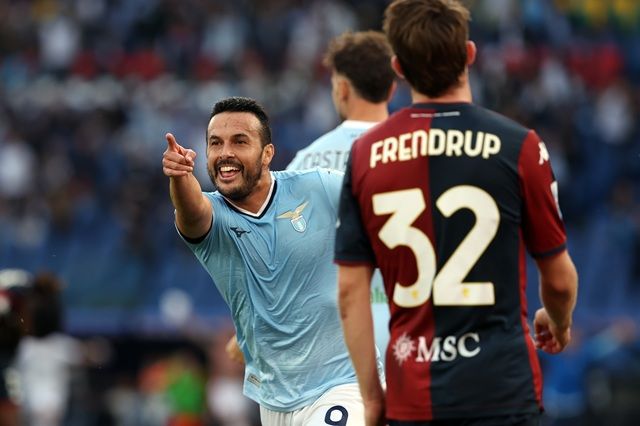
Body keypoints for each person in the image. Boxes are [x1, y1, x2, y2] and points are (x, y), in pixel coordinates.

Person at [334, 1, 579, 425]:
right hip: (502, 392)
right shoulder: (519, 145)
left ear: (398, 67)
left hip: (412, 397)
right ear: (469, 54)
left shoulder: (364, 155)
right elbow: (558, 280)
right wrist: (558, 322)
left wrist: (372, 399)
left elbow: (349, 292)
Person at [162, 96, 376, 425]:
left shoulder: (319, 186)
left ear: (267, 154)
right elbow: (190, 209)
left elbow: (384, 203)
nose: (225, 153)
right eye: (215, 143)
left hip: (343, 383)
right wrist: (180, 176)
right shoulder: (212, 218)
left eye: (239, 141)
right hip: (275, 401)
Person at [225, 30, 397, 365]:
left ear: (341, 89)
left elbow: (277, 254)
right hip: (411, 334)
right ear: (391, 88)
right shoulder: (420, 152)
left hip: (337, 345)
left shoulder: (309, 161)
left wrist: (250, 326)